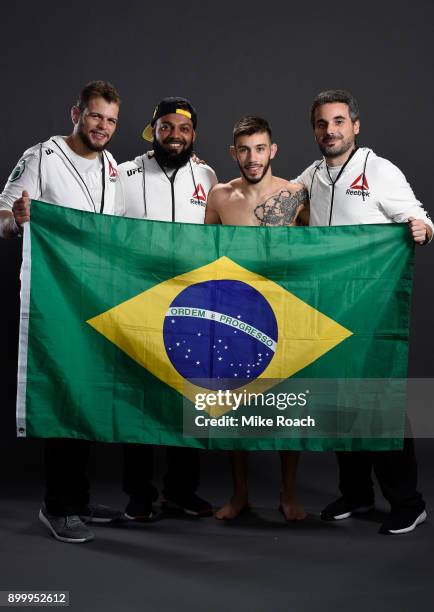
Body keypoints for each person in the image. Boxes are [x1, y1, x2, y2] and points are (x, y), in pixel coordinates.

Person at [293, 89, 432, 535]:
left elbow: (422, 219)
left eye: (337, 122)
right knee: (338, 400)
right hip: (328, 310)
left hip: (372, 307)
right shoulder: (311, 175)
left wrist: (421, 228)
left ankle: (408, 502)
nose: (329, 131)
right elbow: (275, 212)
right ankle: (356, 493)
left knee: (379, 400)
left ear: (355, 125)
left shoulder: (380, 170)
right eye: (321, 123)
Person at [0, 80, 123, 543]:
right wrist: (19, 218)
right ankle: (57, 506)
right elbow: (2, 214)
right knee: (63, 394)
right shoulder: (42, 156)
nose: (103, 127)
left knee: (88, 395)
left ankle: (79, 495)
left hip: (98, 297)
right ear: (77, 112)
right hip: (56, 298)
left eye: (111, 120)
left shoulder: (113, 166)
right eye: (95, 116)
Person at [116, 97, 217, 520]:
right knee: (138, 399)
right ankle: (139, 495)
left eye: (183, 128)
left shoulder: (209, 175)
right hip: (137, 303)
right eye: (165, 127)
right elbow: (91, 223)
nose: (174, 134)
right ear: (152, 131)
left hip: (190, 306)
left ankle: (180, 491)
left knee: (187, 398)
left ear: (193, 135)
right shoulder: (123, 173)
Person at [205, 115, 308, 521]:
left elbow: (324, 248)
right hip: (235, 311)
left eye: (260, 148)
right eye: (244, 149)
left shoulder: (296, 194)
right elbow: (203, 253)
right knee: (233, 405)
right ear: (234, 152)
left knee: (290, 402)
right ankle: (240, 493)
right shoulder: (219, 195)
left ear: (273, 150)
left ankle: (288, 493)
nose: (252, 157)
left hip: (285, 310)